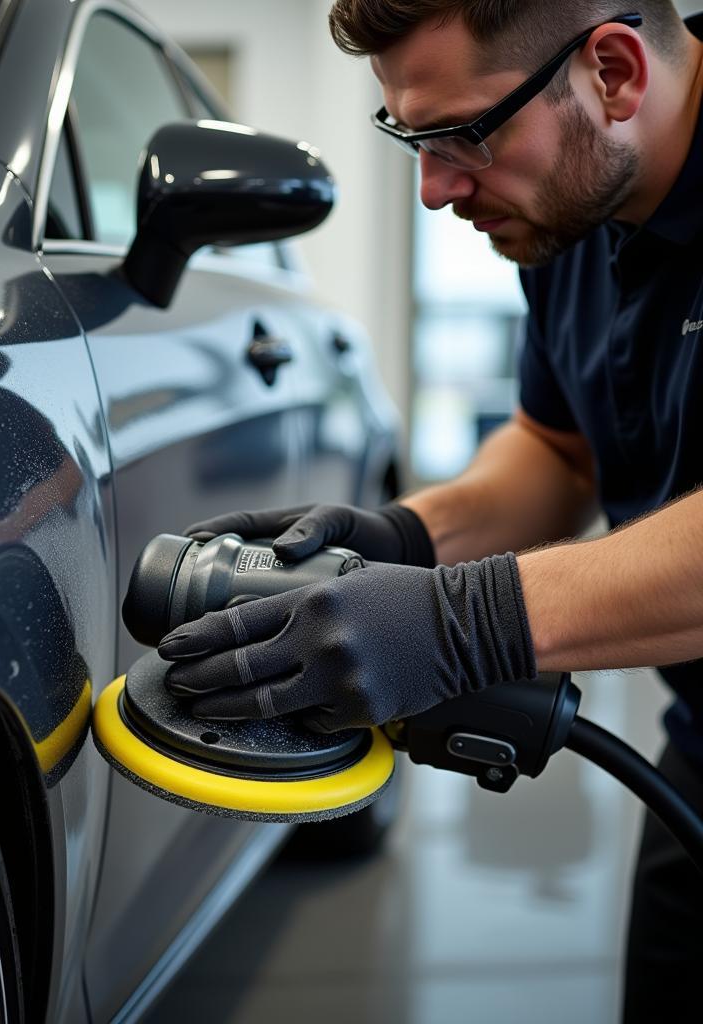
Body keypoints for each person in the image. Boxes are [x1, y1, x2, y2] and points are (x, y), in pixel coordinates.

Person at [154, 2, 703, 1019]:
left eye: (465, 135)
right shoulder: (579, 213)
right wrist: (406, 536)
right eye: (411, 138)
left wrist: (461, 623)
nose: (434, 187)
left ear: (615, 73)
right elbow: (556, 446)